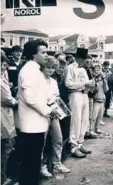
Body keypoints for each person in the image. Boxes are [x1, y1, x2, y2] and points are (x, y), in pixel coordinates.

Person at [16, 39, 61, 185]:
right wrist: (48, 110)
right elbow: (30, 98)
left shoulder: (35, 69)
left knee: (33, 163)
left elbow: (39, 95)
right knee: (30, 164)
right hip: (31, 125)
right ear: (33, 54)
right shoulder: (30, 70)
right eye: (43, 52)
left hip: (36, 124)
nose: (46, 55)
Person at [40, 57, 71, 178]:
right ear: (43, 67)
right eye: (48, 67)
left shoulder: (53, 81)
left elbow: (56, 96)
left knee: (58, 138)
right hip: (43, 113)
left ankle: (57, 163)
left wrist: (55, 105)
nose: (51, 70)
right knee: (42, 142)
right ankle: (41, 166)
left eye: (53, 67)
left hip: (54, 113)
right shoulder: (38, 80)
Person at [65, 48, 95, 158]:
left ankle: (80, 143)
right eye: (82, 59)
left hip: (84, 95)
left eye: (84, 59)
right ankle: (73, 146)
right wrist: (83, 84)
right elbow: (68, 84)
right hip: (75, 94)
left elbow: (86, 82)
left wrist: (90, 86)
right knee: (76, 120)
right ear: (77, 57)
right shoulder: (70, 68)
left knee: (84, 120)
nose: (83, 61)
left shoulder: (83, 69)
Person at [1, 54, 18, 185]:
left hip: (4, 114)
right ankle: (2, 177)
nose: (3, 67)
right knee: (6, 146)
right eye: (1, 64)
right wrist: (17, 100)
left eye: (4, 64)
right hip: (3, 114)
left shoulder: (3, 77)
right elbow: (7, 99)